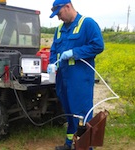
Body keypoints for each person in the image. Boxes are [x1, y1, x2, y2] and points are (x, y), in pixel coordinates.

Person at [47, 0, 104, 149]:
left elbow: (98, 46)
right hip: (63, 79)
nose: (59, 18)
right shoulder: (59, 29)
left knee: (82, 114)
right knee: (69, 113)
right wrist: (52, 63)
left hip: (79, 79)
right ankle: (69, 143)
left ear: (68, 6)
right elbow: (54, 50)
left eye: (59, 14)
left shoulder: (87, 24)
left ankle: (85, 147)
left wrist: (75, 53)